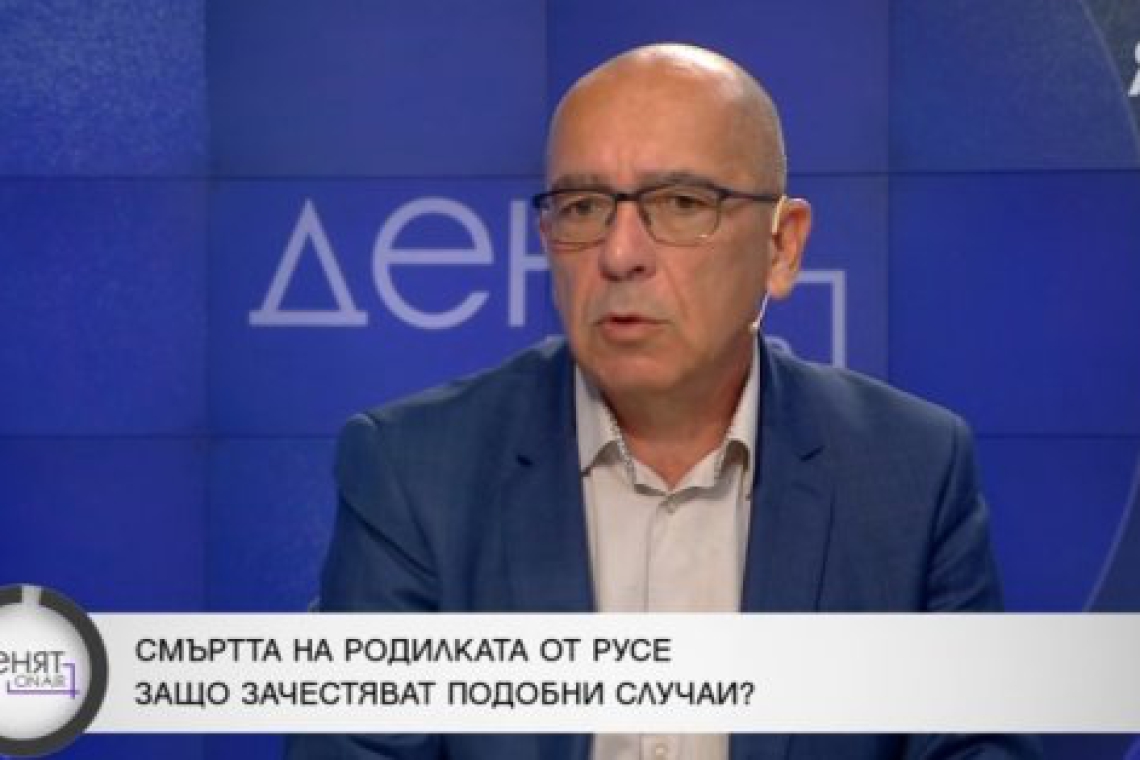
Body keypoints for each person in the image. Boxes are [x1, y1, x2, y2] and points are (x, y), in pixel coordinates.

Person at [287, 43, 1041, 760]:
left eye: (681, 202)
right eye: (583, 207)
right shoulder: (414, 473)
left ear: (782, 246)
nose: (620, 255)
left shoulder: (909, 469)